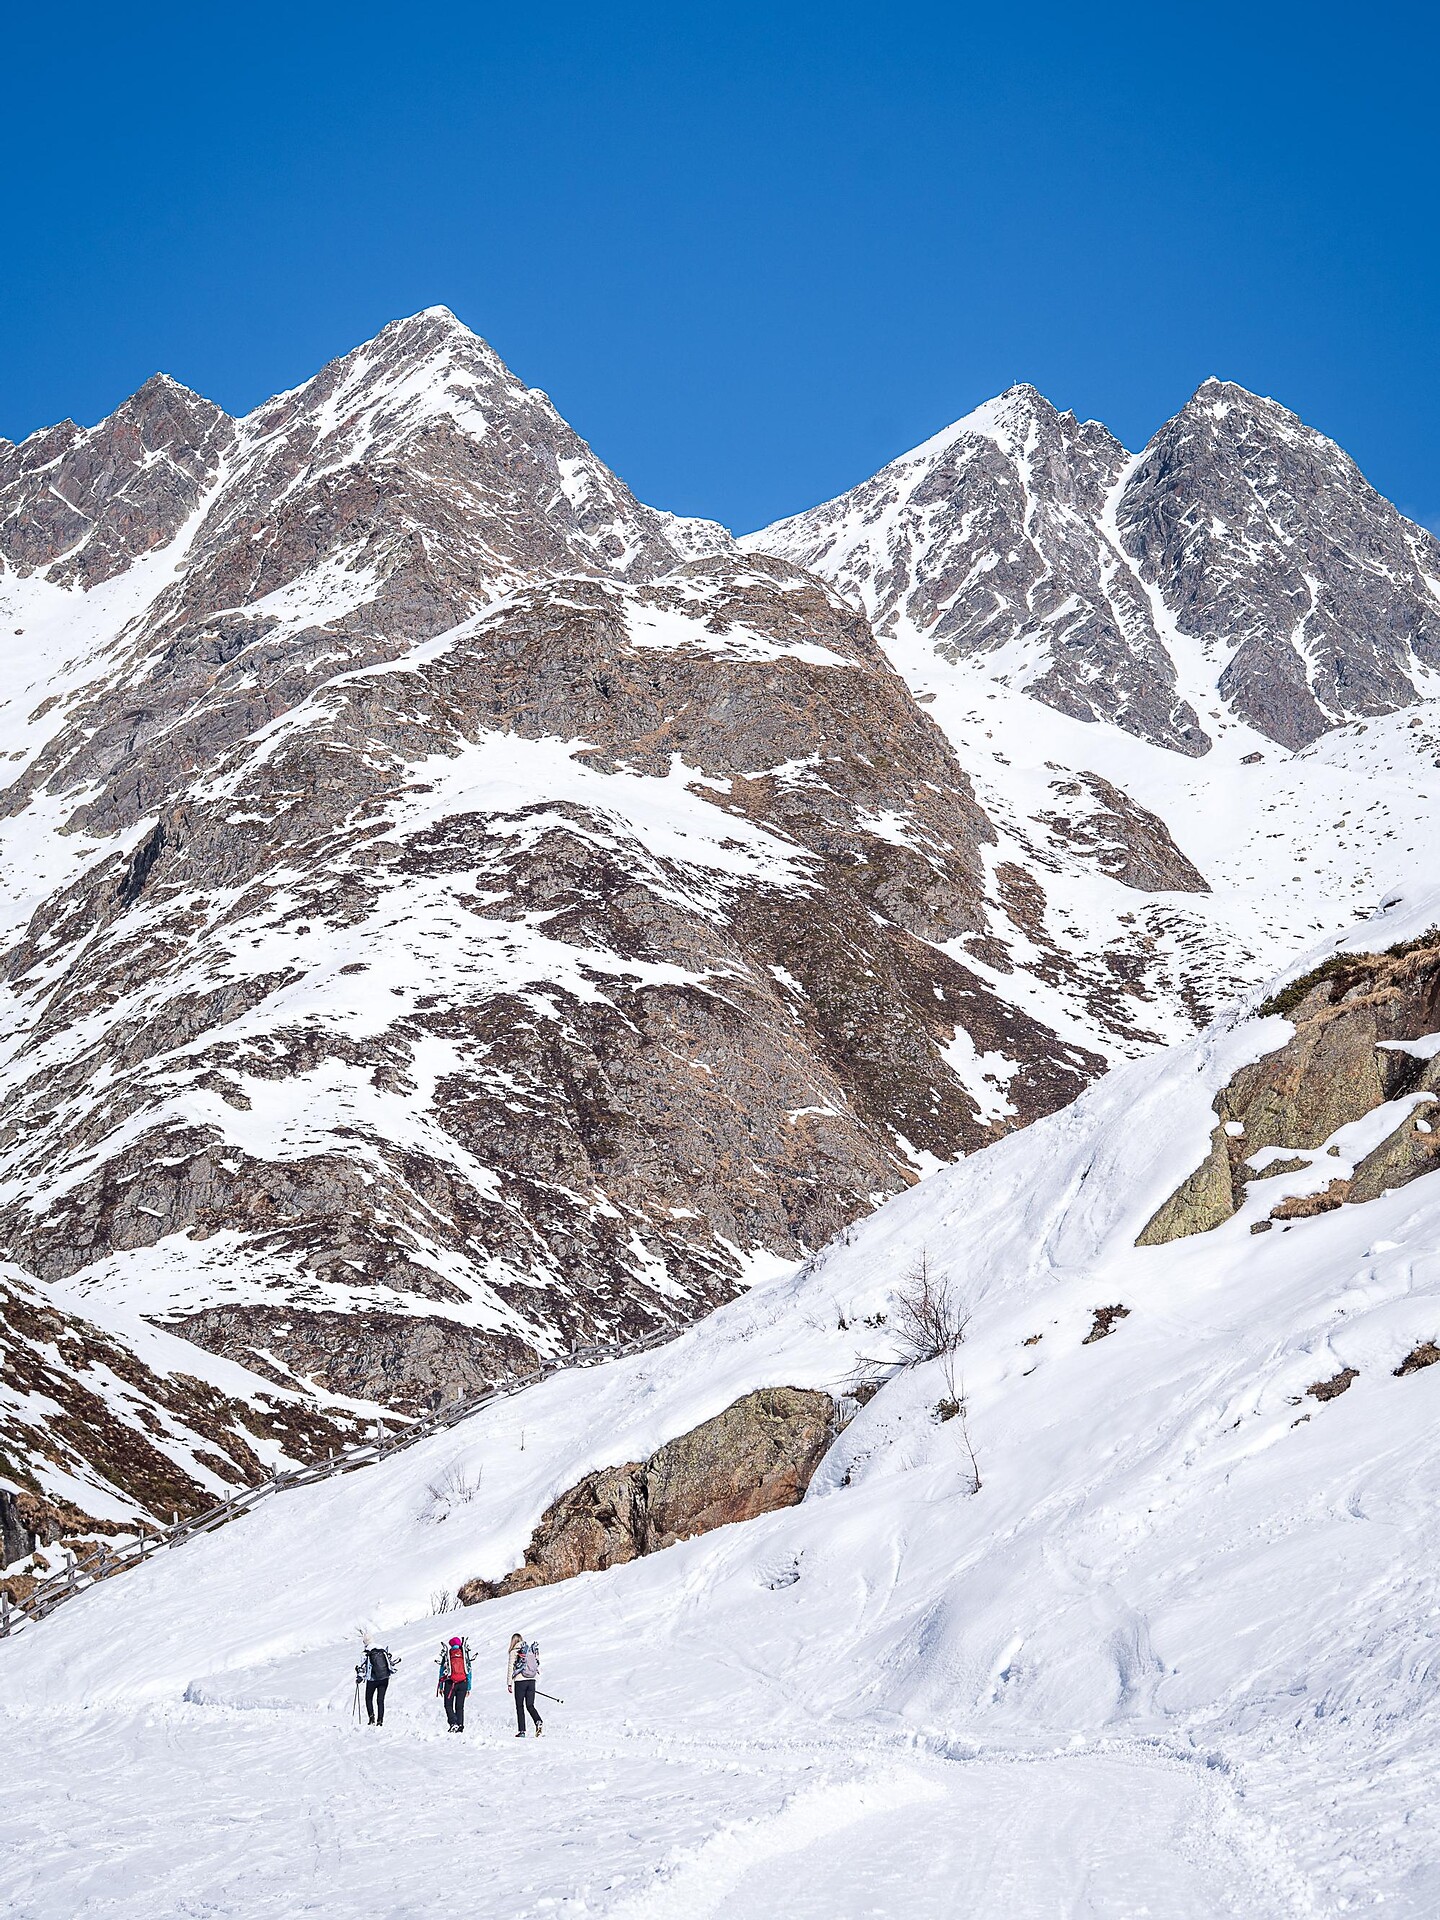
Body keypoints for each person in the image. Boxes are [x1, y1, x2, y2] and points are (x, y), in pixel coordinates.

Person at [508, 1633, 543, 1737]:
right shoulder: (530, 1651)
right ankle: (538, 1721)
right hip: (532, 1680)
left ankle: (522, 1731)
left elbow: (510, 1668)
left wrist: (509, 1683)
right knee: (530, 1705)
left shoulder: (514, 1651)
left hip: (520, 1681)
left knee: (520, 1706)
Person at [358, 1641, 398, 1725]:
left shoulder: (366, 1653)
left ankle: (371, 1718)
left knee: (368, 1698)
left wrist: (359, 1677)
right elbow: (389, 1662)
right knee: (380, 1700)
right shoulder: (382, 1650)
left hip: (372, 1680)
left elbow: (363, 1668)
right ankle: (380, 1720)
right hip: (384, 1678)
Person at [438, 1635, 471, 1732]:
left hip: (450, 1683)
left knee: (448, 1705)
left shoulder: (448, 1655)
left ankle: (453, 1723)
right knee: (460, 1706)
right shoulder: (464, 1655)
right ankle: (460, 1725)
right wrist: (468, 1687)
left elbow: (442, 1671)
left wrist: (441, 1686)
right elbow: (469, 1671)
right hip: (463, 1682)